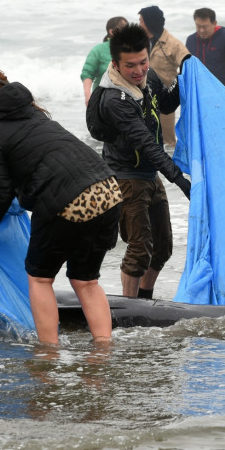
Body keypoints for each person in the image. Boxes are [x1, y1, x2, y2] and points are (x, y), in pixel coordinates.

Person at [0, 65, 123, 346]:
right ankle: (103, 349)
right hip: (108, 189)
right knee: (86, 281)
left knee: (40, 278)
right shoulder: (30, 111)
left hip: (68, 198)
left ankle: (48, 351)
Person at [86, 23, 191, 299]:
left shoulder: (148, 77)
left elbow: (166, 105)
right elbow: (145, 143)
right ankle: (129, 310)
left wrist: (185, 75)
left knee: (163, 247)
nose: (139, 70)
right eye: (130, 65)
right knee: (139, 247)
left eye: (143, 62)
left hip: (150, 175)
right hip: (125, 179)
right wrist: (180, 179)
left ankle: (144, 301)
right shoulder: (114, 100)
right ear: (116, 64)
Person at [138, 5, 190, 149]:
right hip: (143, 100)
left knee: (168, 142)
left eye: (141, 21)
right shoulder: (140, 42)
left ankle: (171, 170)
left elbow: (188, 64)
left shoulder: (172, 44)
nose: (139, 24)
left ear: (149, 22)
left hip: (164, 101)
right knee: (146, 140)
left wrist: (176, 87)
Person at [185, 7, 225, 105]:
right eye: (198, 26)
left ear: (214, 23)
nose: (201, 30)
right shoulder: (191, 40)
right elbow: (187, 67)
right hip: (200, 94)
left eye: (205, 27)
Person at [81, 16, 128, 106]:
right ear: (111, 31)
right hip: (102, 100)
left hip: (127, 100)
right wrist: (88, 96)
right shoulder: (98, 50)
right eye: (123, 28)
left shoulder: (133, 50)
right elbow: (87, 73)